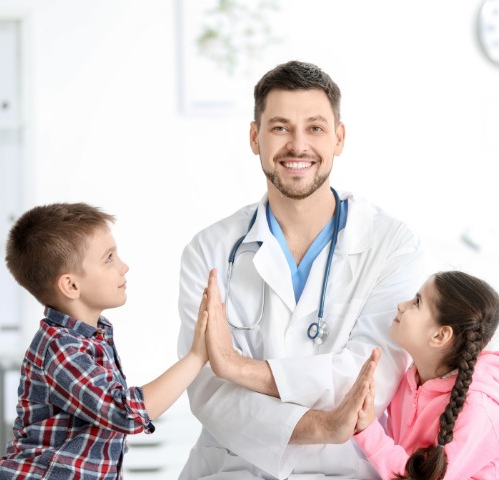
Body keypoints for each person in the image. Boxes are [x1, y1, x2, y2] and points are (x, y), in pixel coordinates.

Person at [176, 60, 427, 478]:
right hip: (234, 469)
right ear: (255, 138)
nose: (298, 145)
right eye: (279, 128)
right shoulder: (210, 250)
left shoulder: (392, 244)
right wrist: (325, 424)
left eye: (314, 128)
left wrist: (237, 366)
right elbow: (209, 391)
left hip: (348, 468)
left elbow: (370, 382)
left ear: (338, 138)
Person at [0, 202, 209, 480]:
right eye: (109, 258)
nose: (124, 266)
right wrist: (196, 356)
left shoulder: (93, 336)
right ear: (71, 286)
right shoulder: (60, 348)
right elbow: (125, 413)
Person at [303, 270, 499, 479]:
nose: (401, 306)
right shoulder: (411, 378)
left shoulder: (478, 409)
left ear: (440, 336)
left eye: (416, 302)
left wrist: (369, 430)